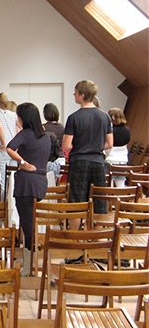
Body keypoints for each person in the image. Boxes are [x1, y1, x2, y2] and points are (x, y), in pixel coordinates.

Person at [6, 102, 51, 276]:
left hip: (26, 184)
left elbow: (9, 148)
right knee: (31, 222)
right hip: (41, 182)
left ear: (23, 118)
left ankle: (29, 265)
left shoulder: (25, 134)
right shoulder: (45, 136)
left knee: (27, 224)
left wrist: (22, 162)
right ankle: (30, 260)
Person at [62, 80, 113, 229]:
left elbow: (66, 145)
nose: (74, 94)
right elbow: (110, 143)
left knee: (76, 201)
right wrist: (94, 146)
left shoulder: (74, 117)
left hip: (79, 162)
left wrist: (80, 146)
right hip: (98, 162)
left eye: (76, 92)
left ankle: (74, 235)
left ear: (82, 95)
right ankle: (97, 235)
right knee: (99, 200)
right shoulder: (105, 116)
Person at [105, 107, 131, 187]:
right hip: (122, 160)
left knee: (108, 185)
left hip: (109, 160)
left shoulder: (109, 130)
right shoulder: (127, 130)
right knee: (121, 185)